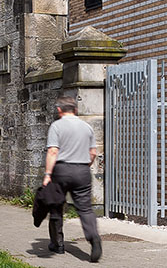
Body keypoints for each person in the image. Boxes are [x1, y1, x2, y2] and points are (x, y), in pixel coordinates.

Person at [42, 97, 102, 261]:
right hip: (82, 170)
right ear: (75, 110)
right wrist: (84, 166)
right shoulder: (87, 127)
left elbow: (53, 151)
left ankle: (57, 244)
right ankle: (93, 238)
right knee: (85, 208)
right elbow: (93, 153)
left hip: (61, 170)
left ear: (59, 110)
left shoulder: (56, 126)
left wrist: (48, 174)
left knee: (56, 207)